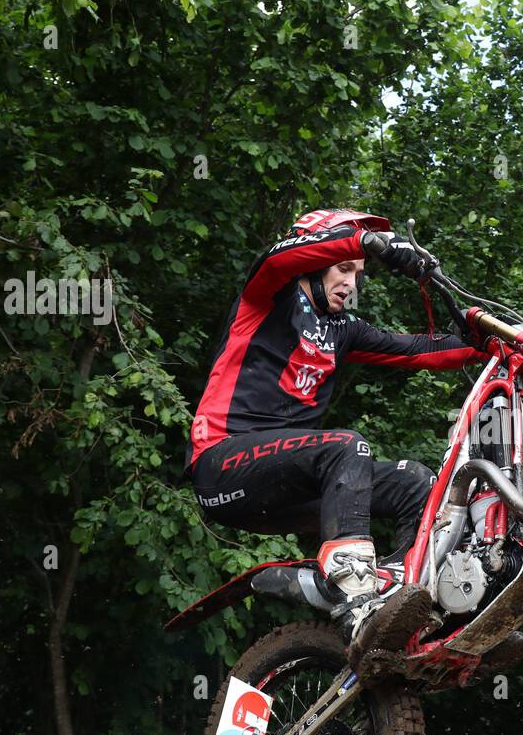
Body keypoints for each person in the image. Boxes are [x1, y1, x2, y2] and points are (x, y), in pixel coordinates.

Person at [184, 208, 483, 653]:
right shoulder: (268, 295)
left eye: (358, 275)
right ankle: (354, 592)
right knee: (347, 446)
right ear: (317, 259)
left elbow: (417, 349)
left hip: (288, 484)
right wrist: (367, 244)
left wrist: (491, 340)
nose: (351, 283)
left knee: (414, 481)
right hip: (223, 463)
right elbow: (278, 260)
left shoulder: (342, 329)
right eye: (343, 269)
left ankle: (407, 601)